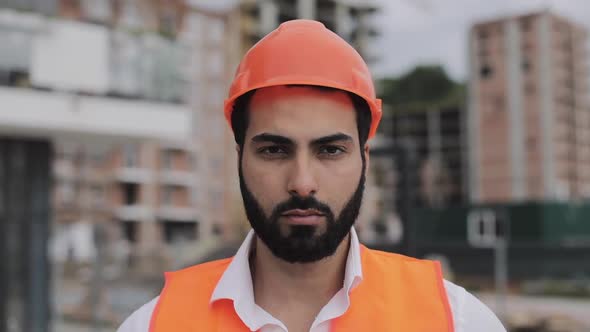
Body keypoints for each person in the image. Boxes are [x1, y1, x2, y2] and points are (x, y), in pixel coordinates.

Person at [118, 19, 506, 332]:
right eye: (274, 150)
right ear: (240, 158)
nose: (302, 182)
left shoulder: (458, 321)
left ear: (364, 158)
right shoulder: (152, 325)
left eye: (330, 150)